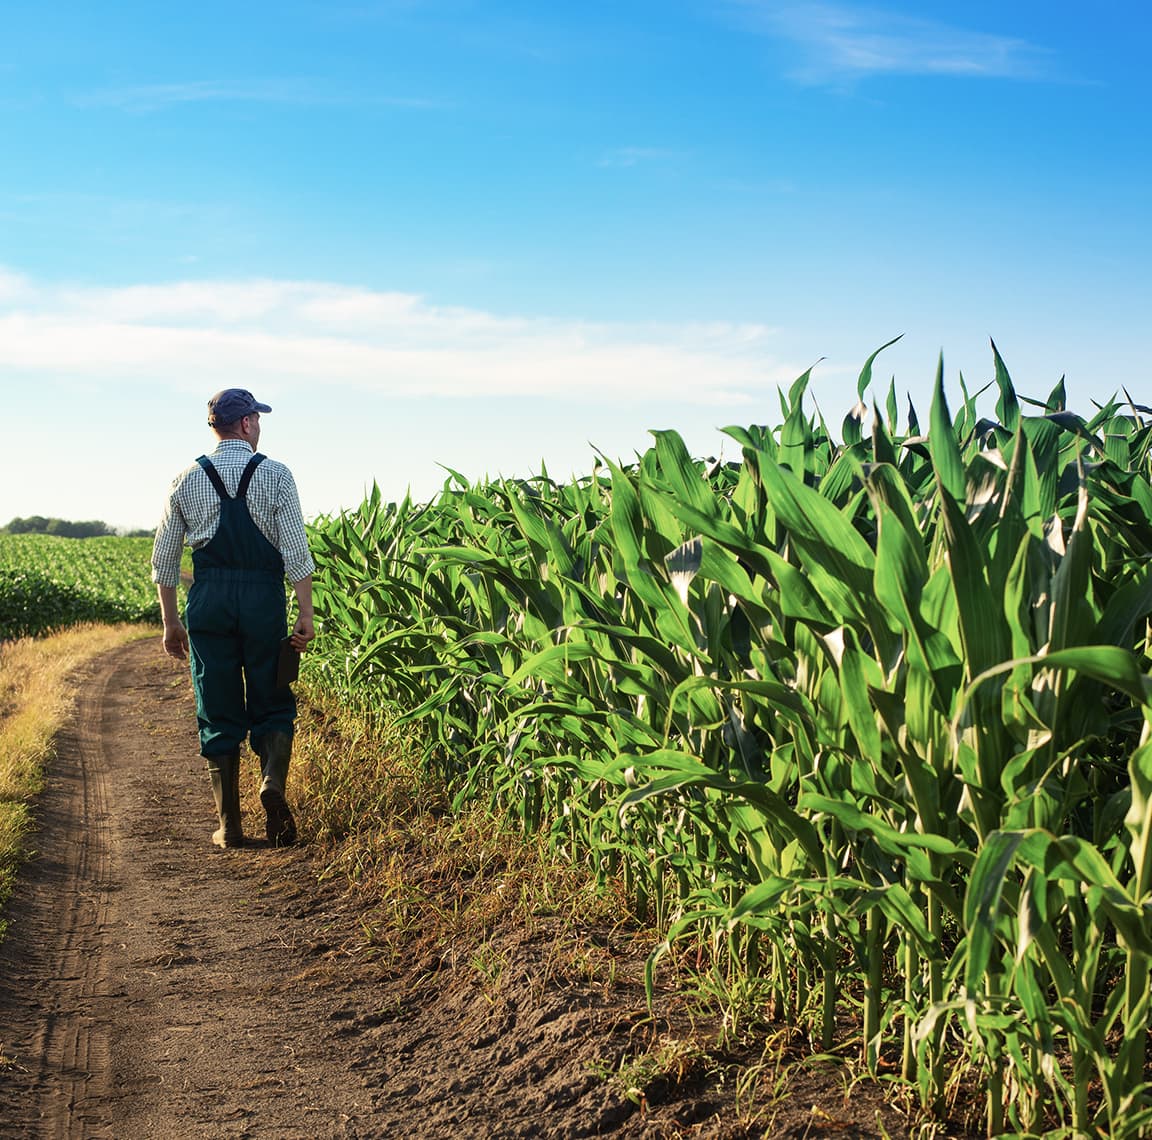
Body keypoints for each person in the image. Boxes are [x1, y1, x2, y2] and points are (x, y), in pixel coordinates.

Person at [151, 388, 316, 848]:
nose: (259, 426)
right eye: (257, 419)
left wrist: (171, 622)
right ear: (245, 424)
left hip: (210, 602)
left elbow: (164, 561)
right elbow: (296, 553)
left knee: (217, 706)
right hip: (262, 600)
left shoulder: (185, 479)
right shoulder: (277, 475)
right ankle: (272, 784)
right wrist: (304, 613)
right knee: (273, 697)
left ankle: (230, 825)